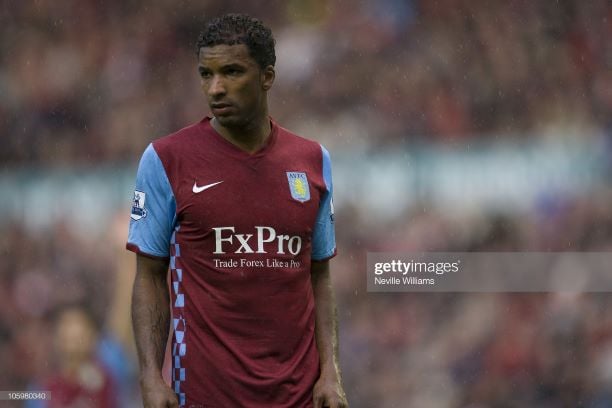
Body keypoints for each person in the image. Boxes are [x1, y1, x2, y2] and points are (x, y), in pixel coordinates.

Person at [127, 13, 348, 408]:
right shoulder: (166, 159)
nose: (215, 88)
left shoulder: (313, 160)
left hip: (297, 395)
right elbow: (149, 275)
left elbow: (319, 274)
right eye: (206, 74)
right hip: (203, 392)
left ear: (267, 76)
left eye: (231, 72)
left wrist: (331, 371)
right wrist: (149, 375)